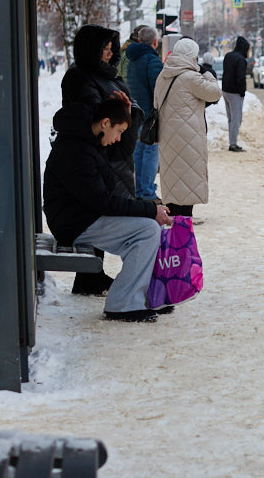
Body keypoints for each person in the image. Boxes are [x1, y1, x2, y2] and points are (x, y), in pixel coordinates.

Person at [44, 97, 172, 322]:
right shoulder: (77, 151)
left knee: (147, 229)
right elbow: (102, 201)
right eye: (119, 130)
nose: (119, 138)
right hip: (74, 222)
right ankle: (123, 303)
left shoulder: (87, 139)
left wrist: (128, 116)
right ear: (105, 123)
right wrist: (150, 210)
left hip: (82, 216)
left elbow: (120, 155)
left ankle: (134, 298)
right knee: (147, 230)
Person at [61, 24, 141, 295]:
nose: (108, 54)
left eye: (111, 49)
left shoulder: (106, 75)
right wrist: (120, 111)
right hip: (99, 154)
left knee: (105, 209)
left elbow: (118, 110)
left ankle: (93, 275)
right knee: (99, 210)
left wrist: (125, 112)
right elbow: (95, 115)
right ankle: (89, 277)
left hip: (115, 152)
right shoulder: (80, 77)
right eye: (103, 49)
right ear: (90, 50)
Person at [155, 37, 222, 221]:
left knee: (173, 177)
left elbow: (156, 102)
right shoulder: (191, 77)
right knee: (187, 179)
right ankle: (183, 232)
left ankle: (173, 225)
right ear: (193, 56)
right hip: (188, 137)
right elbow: (215, 93)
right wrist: (207, 74)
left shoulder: (163, 75)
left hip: (167, 135)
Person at [125, 26, 164, 201]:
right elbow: (158, 89)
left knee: (138, 152)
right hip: (149, 115)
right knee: (150, 153)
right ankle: (147, 191)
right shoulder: (151, 60)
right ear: (155, 42)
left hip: (135, 113)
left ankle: (138, 189)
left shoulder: (132, 59)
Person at [221, 35, 250, 151]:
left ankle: (232, 141)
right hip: (235, 93)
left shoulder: (228, 56)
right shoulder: (241, 59)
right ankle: (233, 144)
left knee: (230, 118)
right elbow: (240, 78)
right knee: (236, 119)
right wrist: (242, 92)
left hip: (225, 90)